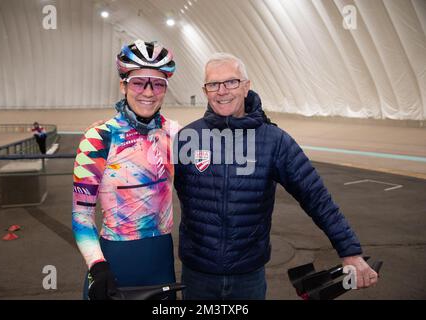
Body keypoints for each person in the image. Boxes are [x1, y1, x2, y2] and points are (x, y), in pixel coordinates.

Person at [173, 52, 378, 300]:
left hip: (248, 276)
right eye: (213, 84)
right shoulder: (187, 138)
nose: (222, 90)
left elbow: (316, 197)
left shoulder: (275, 141)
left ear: (246, 86)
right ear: (205, 91)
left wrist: (350, 251)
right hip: (198, 276)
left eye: (231, 82)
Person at [72, 39, 178, 300]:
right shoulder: (99, 137)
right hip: (114, 262)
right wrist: (97, 265)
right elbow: (81, 216)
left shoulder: (174, 133)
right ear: (123, 85)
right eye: (139, 82)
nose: (149, 92)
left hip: (161, 260)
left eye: (158, 83)